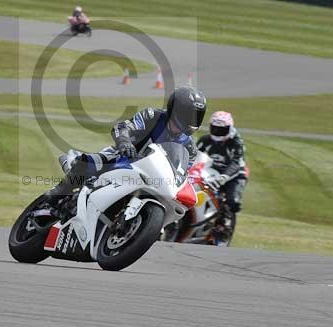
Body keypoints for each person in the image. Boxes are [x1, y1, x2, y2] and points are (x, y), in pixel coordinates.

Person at [43, 86, 207, 207]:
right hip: (123, 158)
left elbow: (182, 172)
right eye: (188, 114)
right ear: (175, 109)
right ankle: (60, 190)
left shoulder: (190, 147)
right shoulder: (153, 116)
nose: (192, 119)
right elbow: (123, 127)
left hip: (153, 180)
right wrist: (125, 142)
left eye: (196, 116)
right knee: (89, 163)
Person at [196, 111, 248, 244]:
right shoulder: (205, 140)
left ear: (230, 128)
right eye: (215, 128)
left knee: (232, 201)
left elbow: (236, 163)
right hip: (212, 172)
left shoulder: (237, 143)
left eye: (222, 129)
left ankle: (225, 226)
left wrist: (224, 177)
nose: (218, 132)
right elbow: (194, 156)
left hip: (234, 175)